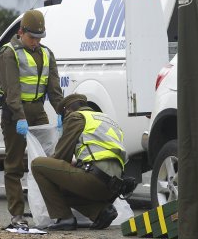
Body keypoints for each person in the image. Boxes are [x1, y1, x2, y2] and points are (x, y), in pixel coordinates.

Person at [0, 9, 63, 228]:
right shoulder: (8, 53)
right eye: (32, 37)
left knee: (48, 161)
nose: (35, 42)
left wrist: (61, 111)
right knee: (14, 165)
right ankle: (17, 214)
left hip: (37, 110)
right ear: (21, 32)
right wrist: (20, 117)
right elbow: (12, 92)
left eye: (39, 38)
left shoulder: (47, 54)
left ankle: (52, 211)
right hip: (15, 114)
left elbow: (54, 90)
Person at [31, 93, 127, 231]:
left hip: (94, 180)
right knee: (66, 183)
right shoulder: (106, 119)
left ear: (68, 110)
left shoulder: (76, 117)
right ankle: (101, 211)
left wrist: (48, 163)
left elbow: (61, 156)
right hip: (114, 187)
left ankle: (65, 218)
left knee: (38, 165)